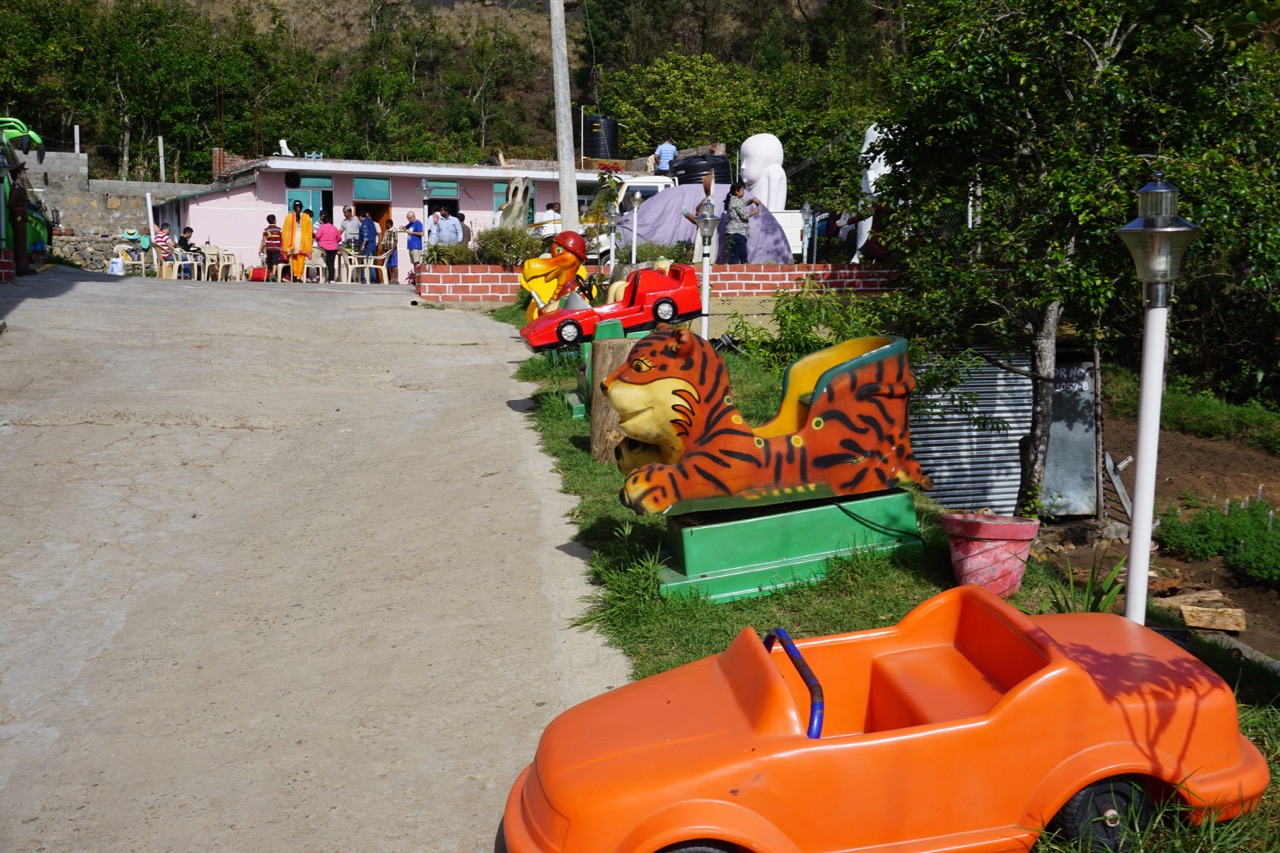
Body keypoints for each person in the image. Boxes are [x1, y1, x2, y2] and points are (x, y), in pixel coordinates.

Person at [739, 133, 787, 211]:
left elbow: (773, 208)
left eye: (748, 159)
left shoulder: (774, 171)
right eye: (742, 160)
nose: (743, 166)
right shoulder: (749, 185)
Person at [723, 181, 760, 264]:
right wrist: (754, 211)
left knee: (743, 256)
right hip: (737, 233)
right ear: (737, 191)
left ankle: (745, 273)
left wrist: (753, 200)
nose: (743, 192)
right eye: (742, 190)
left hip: (735, 233)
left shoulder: (734, 200)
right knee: (735, 256)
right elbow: (744, 216)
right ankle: (732, 274)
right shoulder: (736, 201)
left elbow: (745, 202)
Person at [7, 162, 33, 275]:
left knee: (23, 242)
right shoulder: (16, 188)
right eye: (23, 173)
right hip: (18, 218)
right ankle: (21, 268)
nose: (25, 175)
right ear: (18, 175)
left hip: (22, 216)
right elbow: (11, 204)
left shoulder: (20, 187)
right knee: (19, 242)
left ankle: (24, 266)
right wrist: (17, 215)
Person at [280, 200, 313, 282]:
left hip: (292, 240)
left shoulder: (289, 216)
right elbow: (309, 231)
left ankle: (294, 275)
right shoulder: (306, 216)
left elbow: (285, 230)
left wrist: (286, 242)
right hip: (302, 239)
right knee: (301, 257)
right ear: (301, 207)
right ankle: (298, 276)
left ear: (293, 207)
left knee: (294, 257)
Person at [315, 211, 342, 282]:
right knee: (331, 263)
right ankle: (331, 279)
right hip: (333, 248)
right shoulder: (334, 228)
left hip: (323, 248)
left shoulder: (321, 227)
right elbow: (339, 238)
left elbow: (317, 237)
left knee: (322, 262)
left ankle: (322, 277)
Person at [357, 211, 378, 283]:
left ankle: (366, 279)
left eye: (358, 218)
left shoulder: (364, 224)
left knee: (366, 263)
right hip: (372, 245)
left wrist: (362, 246)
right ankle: (373, 280)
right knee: (371, 263)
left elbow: (366, 236)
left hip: (367, 246)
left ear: (360, 217)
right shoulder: (371, 223)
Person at [381, 218, 399, 283]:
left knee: (394, 265)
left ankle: (396, 279)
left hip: (393, 250)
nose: (386, 225)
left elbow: (395, 240)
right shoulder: (386, 231)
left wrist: (392, 249)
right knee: (389, 265)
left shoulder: (394, 230)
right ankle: (391, 279)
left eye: (386, 224)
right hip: (387, 250)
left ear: (389, 224)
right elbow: (384, 241)